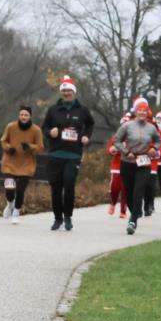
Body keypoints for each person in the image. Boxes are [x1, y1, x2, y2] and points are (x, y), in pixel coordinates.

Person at [41, 75, 95, 231]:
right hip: (56, 153)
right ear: (61, 93)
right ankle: (57, 218)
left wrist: (86, 136)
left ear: (74, 92)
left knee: (69, 185)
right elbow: (44, 128)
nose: (66, 93)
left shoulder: (82, 110)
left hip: (73, 155)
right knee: (56, 187)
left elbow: (90, 124)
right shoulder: (53, 110)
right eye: (63, 91)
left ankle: (68, 217)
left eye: (68, 90)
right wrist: (50, 132)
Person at [113, 98, 160, 235]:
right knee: (128, 191)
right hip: (127, 162)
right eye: (139, 110)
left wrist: (154, 148)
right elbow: (116, 140)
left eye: (144, 111)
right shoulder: (127, 126)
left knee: (138, 190)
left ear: (147, 113)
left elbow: (158, 140)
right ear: (135, 112)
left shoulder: (151, 128)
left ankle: (133, 221)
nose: (141, 113)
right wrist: (126, 151)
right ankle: (135, 210)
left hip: (144, 162)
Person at [0, 105, 44, 224]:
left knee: (20, 190)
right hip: (10, 162)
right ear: (19, 115)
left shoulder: (36, 130)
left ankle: (16, 212)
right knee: (9, 187)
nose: (23, 117)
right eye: (21, 115)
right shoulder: (11, 126)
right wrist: (8, 148)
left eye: (26, 115)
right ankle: (10, 204)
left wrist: (30, 147)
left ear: (30, 116)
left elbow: (40, 148)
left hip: (26, 165)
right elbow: (3, 140)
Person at [107, 113, 130, 218]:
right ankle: (112, 203)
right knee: (114, 187)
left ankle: (123, 211)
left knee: (125, 188)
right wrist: (112, 150)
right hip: (116, 166)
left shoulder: (134, 138)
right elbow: (110, 149)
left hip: (128, 165)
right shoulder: (116, 136)